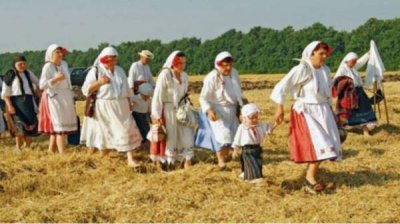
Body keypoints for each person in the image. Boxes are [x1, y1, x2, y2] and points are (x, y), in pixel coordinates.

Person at [270, 41, 342, 194]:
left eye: (325, 54)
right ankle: (310, 179)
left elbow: (327, 92)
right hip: (305, 110)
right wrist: (279, 108)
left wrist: (332, 111)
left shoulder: (325, 70)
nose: (324, 57)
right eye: (320, 53)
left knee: (328, 146)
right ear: (311, 53)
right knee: (321, 144)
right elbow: (282, 87)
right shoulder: (302, 69)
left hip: (322, 110)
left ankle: (310, 177)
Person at [80, 46, 142, 168]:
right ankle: (105, 159)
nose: (112, 62)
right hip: (105, 107)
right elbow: (85, 90)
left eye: (114, 59)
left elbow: (125, 88)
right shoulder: (96, 71)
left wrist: (129, 101)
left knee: (127, 129)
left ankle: (130, 159)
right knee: (108, 134)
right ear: (103, 60)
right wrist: (99, 82)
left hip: (122, 106)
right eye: (109, 60)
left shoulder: (119, 70)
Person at [196, 51, 245, 170]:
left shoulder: (234, 73)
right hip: (218, 109)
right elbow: (203, 97)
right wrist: (209, 110)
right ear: (219, 64)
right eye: (225, 65)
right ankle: (221, 162)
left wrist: (241, 106)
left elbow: (238, 91)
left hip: (232, 109)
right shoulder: (212, 77)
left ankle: (225, 157)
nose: (228, 68)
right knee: (222, 136)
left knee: (233, 135)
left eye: (230, 65)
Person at [150, 50, 194, 169]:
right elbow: (157, 96)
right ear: (173, 63)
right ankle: (168, 163)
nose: (183, 66)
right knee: (169, 137)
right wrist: (156, 115)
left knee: (187, 135)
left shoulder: (184, 76)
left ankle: (187, 160)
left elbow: (184, 94)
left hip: (181, 110)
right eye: (180, 63)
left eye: (184, 63)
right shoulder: (165, 75)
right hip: (167, 109)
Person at [38, 44, 78, 154]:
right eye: (57, 52)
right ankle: (62, 154)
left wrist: (71, 95)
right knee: (60, 126)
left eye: (61, 52)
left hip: (66, 96)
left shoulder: (64, 64)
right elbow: (42, 85)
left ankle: (51, 151)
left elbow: (68, 81)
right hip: (54, 97)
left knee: (60, 125)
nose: (60, 55)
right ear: (51, 54)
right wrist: (55, 79)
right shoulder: (48, 66)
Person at [333, 52, 377, 136]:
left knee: (364, 110)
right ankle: (338, 130)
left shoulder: (353, 68)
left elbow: (361, 62)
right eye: (353, 61)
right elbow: (337, 81)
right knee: (345, 114)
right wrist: (347, 82)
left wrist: (368, 54)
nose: (355, 63)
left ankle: (365, 130)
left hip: (359, 93)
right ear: (348, 60)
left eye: (355, 61)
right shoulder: (342, 69)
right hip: (348, 95)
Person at [1, 55, 40, 151]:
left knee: (30, 123)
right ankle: (18, 147)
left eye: (24, 63)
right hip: (16, 102)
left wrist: (40, 93)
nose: (22, 66)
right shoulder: (10, 74)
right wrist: (9, 105)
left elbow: (38, 83)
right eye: (20, 64)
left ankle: (28, 146)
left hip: (29, 101)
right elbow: (5, 93)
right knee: (18, 125)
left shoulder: (28, 73)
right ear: (15, 65)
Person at [232, 103, 274, 183]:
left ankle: (250, 175)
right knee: (251, 162)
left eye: (256, 117)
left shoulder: (260, 125)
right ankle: (253, 178)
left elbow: (268, 128)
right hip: (247, 149)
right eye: (252, 118)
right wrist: (235, 150)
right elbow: (237, 139)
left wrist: (272, 128)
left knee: (258, 162)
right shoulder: (242, 127)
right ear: (244, 118)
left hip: (257, 148)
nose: (255, 120)